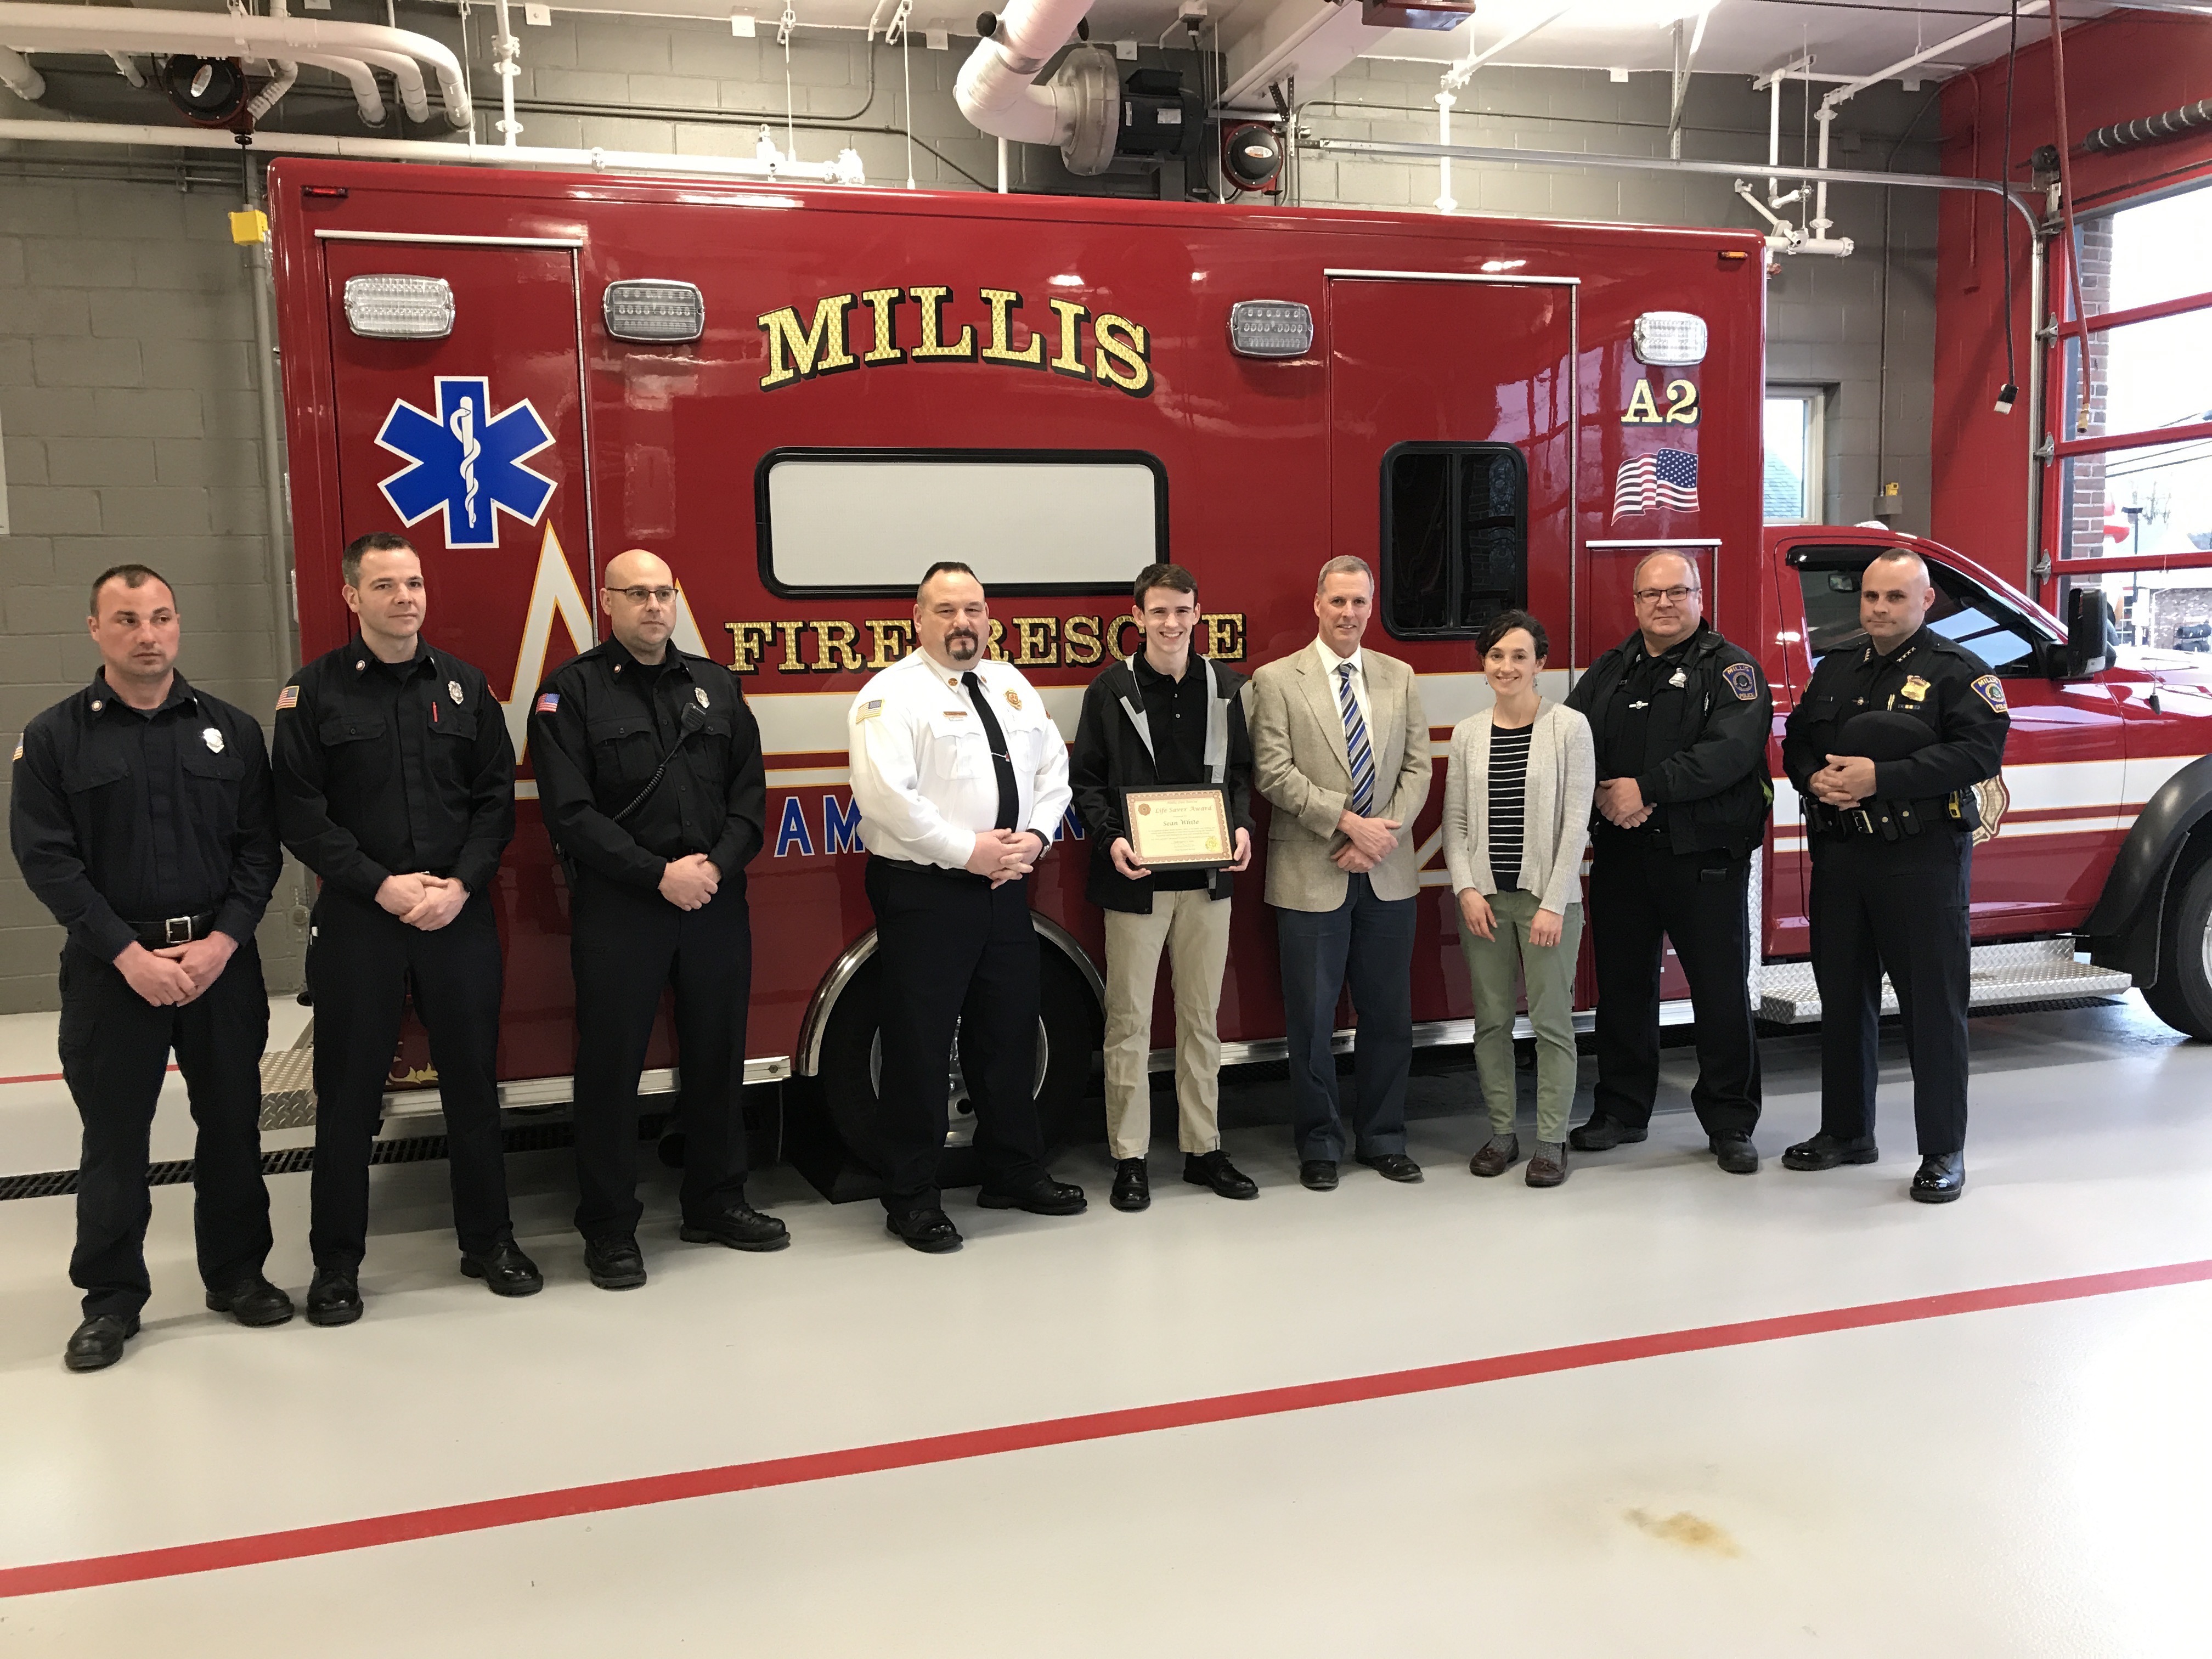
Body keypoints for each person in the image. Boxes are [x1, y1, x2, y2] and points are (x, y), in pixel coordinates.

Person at [10, 565, 288, 1371]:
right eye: (127, 619)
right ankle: (110, 1301)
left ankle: (238, 1276)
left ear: (178, 627)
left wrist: (224, 943)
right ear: (95, 629)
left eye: (162, 617)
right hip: (112, 970)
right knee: (115, 1138)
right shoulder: (55, 738)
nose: (148, 634)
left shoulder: (232, 732)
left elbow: (259, 850)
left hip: (219, 964)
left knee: (233, 1125)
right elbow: (48, 861)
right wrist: (129, 957)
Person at [272, 532, 537, 1327]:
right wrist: (383, 887)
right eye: (385, 585)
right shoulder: (312, 694)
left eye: (415, 583)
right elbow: (300, 814)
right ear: (353, 597)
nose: (405, 597)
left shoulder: (465, 689)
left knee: (472, 1091)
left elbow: (496, 801)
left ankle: (489, 1241)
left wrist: (460, 885)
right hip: (363, 922)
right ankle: (337, 1266)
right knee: (348, 1099)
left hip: (456, 918)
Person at [530, 548, 780, 1290]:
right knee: (609, 1070)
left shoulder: (716, 687)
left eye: (663, 592)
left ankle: (716, 1200)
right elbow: (569, 813)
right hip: (623, 907)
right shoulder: (568, 695)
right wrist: (658, 874)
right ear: (606, 603)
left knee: (717, 1054)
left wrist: (710, 869)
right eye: (636, 594)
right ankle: (609, 1229)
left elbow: (749, 801)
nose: (652, 606)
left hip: (711, 900)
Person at [846, 561, 1087, 1252]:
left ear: (990, 616)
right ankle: (912, 1196)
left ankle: (1013, 1170)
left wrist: (1035, 838)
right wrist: (969, 852)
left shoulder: (1011, 685)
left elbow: (1053, 771)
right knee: (920, 1048)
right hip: (928, 891)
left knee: (1008, 1033)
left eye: (975, 610)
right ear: (917, 620)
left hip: (1009, 883)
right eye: (947, 610)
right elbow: (889, 799)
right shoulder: (889, 696)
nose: (963, 624)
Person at [1780, 549, 2009, 1203]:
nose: (1879, 608)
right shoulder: (1836, 668)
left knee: (1933, 1010)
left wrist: (1882, 779)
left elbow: (1978, 752)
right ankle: (1847, 1132)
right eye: (1871, 597)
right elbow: (1798, 737)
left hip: (1921, 863)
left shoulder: (1959, 673)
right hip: (1844, 858)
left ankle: (1943, 1151)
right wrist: (1812, 777)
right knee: (1843, 999)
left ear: (1926, 600)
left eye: (1895, 598)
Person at [1565, 551, 1772, 1175]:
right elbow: (1573, 738)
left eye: (1676, 592)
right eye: (1651, 594)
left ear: (1699, 597)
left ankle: (1731, 1121)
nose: (1663, 603)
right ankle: (1622, 1110)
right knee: (1624, 991)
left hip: (1703, 858)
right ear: (1635, 602)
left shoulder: (1733, 670)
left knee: (1718, 991)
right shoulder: (1611, 670)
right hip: (1625, 855)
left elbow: (1729, 753)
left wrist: (1646, 788)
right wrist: (1607, 790)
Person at [1070, 562, 1259, 1212]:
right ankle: (1130, 1157)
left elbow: (1241, 774)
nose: (1171, 623)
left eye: (1182, 611)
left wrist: (1240, 826)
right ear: (1138, 618)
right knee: (1128, 1021)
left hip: (1208, 879)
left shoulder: (1227, 687)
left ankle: (1203, 1149)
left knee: (1200, 1019)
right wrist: (1111, 840)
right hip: (1135, 881)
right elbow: (1087, 782)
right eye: (1158, 612)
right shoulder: (1109, 690)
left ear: (1198, 614)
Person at [1248, 555, 1432, 1192]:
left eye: (1359, 602)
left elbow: (1419, 769)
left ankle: (1383, 1137)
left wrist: (1381, 836)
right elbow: (1271, 771)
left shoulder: (1399, 676)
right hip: (1310, 870)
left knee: (1388, 1015)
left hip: (1387, 873)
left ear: (1371, 606)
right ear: (1317, 604)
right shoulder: (1276, 680)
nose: (1349, 614)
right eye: (1338, 602)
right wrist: (1349, 824)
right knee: (1312, 1018)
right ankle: (1319, 1143)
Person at [1442, 611, 1594, 1188]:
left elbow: (1576, 823)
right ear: (1485, 666)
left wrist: (1554, 902)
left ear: (1540, 664)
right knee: (1491, 1023)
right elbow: (1455, 825)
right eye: (1496, 656)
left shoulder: (1569, 728)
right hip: (1487, 903)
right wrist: (1467, 890)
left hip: (1546, 905)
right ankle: (1503, 1133)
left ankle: (1551, 1141)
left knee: (1554, 1024)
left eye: (1519, 656)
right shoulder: (1467, 733)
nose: (1507, 666)